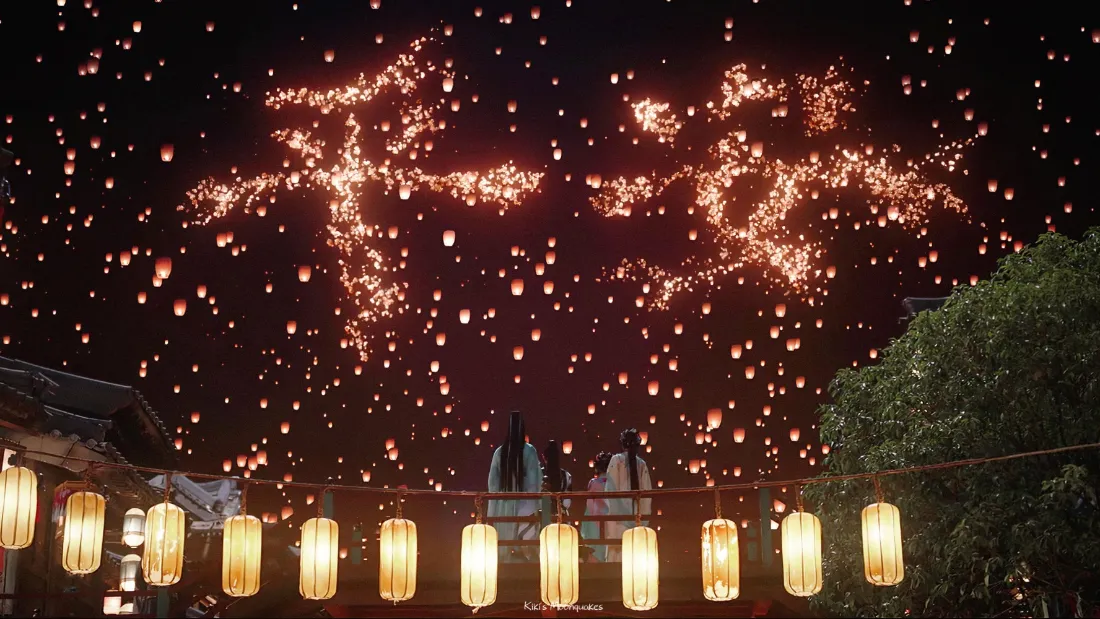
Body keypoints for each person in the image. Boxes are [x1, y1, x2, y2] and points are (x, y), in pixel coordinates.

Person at [487, 411, 542, 562]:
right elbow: (534, 482)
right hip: (525, 504)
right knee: (526, 542)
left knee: (503, 543)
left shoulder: (499, 452)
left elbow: (493, 484)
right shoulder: (529, 450)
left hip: (503, 505)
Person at [604, 428, 653, 562]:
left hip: (636, 514)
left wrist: (642, 517)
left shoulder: (641, 464)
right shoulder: (617, 461)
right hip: (619, 517)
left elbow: (646, 494)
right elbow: (611, 490)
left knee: (635, 552)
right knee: (619, 551)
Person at [581, 451, 613, 562]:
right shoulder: (614, 483)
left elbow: (589, 506)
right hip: (611, 520)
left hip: (595, 521)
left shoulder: (594, 483)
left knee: (596, 552)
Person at [541, 440, 574, 514]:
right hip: (561, 513)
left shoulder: (539, 474)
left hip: (543, 512)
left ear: (544, 457)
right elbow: (567, 500)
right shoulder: (566, 475)